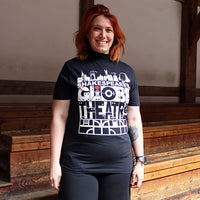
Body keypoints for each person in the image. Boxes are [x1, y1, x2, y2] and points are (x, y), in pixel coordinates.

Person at [50, 4, 145, 200]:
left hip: (119, 164)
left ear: (115, 36)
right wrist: (54, 163)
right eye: (97, 28)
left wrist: (140, 161)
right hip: (78, 163)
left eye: (108, 30)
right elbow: (59, 117)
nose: (103, 35)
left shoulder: (127, 72)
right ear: (87, 34)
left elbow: (134, 119)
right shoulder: (71, 69)